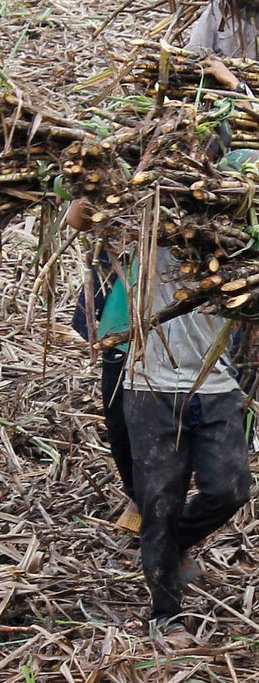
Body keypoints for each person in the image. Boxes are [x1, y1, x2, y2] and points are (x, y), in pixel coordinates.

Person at [122, 242, 259, 647]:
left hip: (216, 387)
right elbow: (80, 216)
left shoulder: (237, 254)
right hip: (150, 387)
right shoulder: (148, 235)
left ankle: (171, 544)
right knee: (159, 503)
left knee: (230, 490)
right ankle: (166, 616)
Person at [66, 201, 139, 532]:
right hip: (119, 327)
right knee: (119, 421)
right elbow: (75, 219)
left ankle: (164, 505)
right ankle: (138, 495)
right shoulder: (120, 183)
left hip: (180, 327)